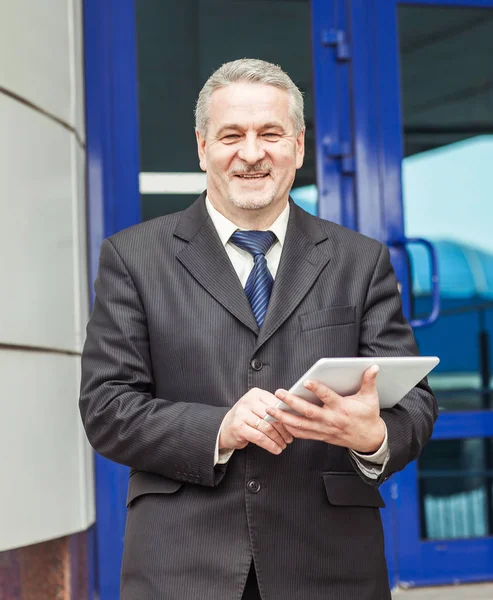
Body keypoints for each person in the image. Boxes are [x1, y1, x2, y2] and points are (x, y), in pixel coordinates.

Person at [79, 58, 437, 600]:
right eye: (231, 136)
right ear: (202, 147)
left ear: (297, 145)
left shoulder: (359, 261)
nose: (251, 153)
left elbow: (414, 403)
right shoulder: (133, 258)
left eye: (270, 134)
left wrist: (374, 436)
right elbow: (107, 407)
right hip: (182, 567)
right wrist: (219, 427)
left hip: (329, 565)